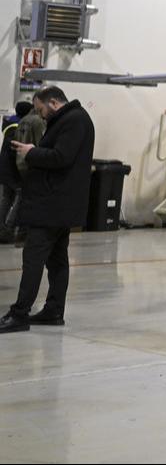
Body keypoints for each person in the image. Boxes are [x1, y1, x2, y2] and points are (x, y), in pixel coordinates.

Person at [0, 86, 95, 333]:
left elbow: (61, 157)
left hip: (53, 205)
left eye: (41, 109)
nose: (40, 115)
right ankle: (53, 310)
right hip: (59, 204)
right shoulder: (70, 119)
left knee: (33, 258)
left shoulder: (74, 120)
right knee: (56, 259)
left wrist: (31, 152)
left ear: (53, 102)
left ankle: (20, 313)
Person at [0, 101, 46, 244]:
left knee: (6, 199)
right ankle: (7, 229)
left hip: (4, 168)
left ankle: (2, 228)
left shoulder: (10, 125)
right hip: (14, 170)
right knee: (19, 199)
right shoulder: (20, 126)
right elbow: (18, 151)